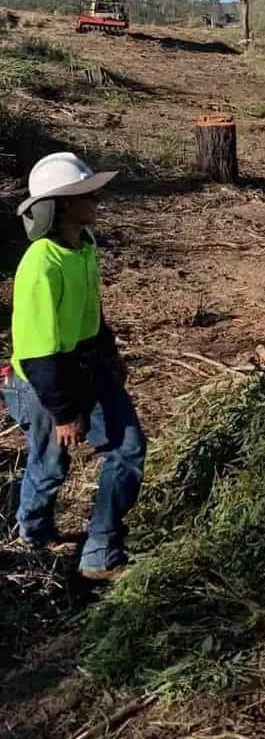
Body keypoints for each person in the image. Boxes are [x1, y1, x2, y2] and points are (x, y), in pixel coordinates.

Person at [1, 152, 145, 579]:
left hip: (88, 363)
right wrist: (65, 413)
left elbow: (91, 310)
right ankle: (33, 533)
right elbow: (37, 353)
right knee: (50, 464)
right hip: (44, 383)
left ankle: (100, 551)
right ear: (62, 204)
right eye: (88, 193)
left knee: (128, 450)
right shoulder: (41, 264)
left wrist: (110, 351)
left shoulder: (85, 246)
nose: (97, 199)